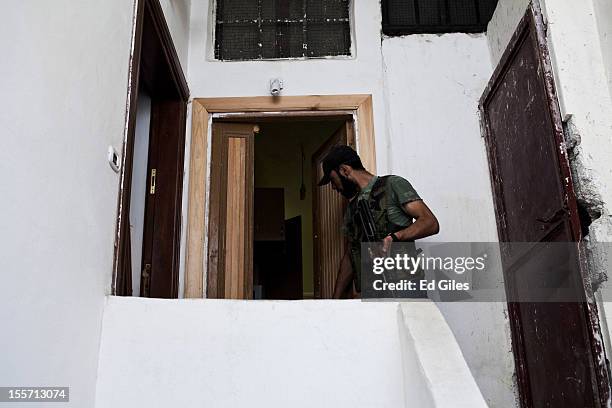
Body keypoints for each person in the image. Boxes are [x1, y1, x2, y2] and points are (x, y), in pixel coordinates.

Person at [317, 145, 440, 298]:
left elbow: (430, 222)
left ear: (344, 170)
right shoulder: (353, 207)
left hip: (405, 285)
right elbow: (350, 254)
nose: (334, 187)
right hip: (373, 291)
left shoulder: (393, 185)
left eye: (332, 180)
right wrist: (334, 301)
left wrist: (394, 237)